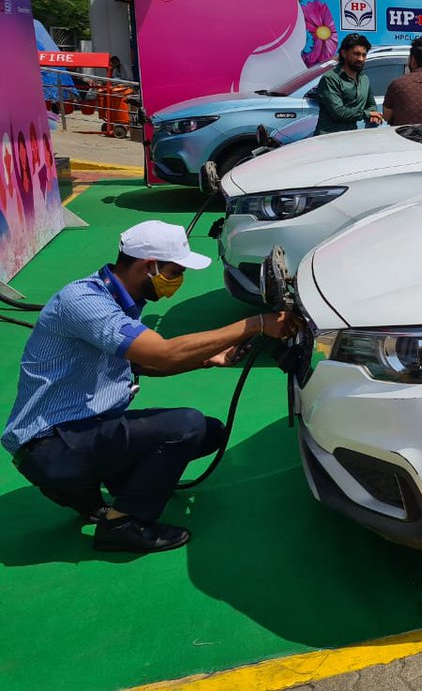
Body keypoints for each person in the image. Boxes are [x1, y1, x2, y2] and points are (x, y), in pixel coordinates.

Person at [3, 220, 301, 553]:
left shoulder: (120, 300)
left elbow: (138, 363)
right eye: (173, 272)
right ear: (149, 266)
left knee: (208, 431)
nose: (177, 281)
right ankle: (122, 524)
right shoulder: (85, 301)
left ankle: (99, 490)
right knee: (185, 425)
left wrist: (208, 359)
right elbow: (163, 354)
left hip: (78, 435)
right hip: (49, 446)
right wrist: (255, 324)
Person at [314, 33, 383, 135]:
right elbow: (338, 112)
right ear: (344, 53)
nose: (361, 59)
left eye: (364, 55)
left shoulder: (364, 80)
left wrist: (373, 115)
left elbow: (371, 104)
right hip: (329, 138)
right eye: (356, 54)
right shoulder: (331, 78)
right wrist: (367, 114)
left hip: (350, 137)